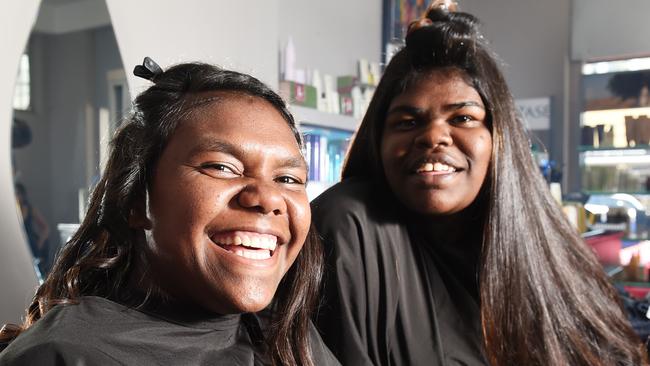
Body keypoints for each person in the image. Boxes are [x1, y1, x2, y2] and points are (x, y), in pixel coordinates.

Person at [312, 2, 647, 365]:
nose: (434, 136)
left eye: (463, 117)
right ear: (378, 140)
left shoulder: (543, 246)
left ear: (499, 137)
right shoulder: (348, 226)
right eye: (407, 122)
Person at [0, 58, 339, 366]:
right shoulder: (62, 356)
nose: (267, 198)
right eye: (221, 167)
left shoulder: (289, 338)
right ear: (136, 200)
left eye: (288, 178)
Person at [14, 182, 50, 275]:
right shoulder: (12, 212)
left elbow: (46, 228)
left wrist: (40, 243)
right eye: (14, 193)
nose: (16, 196)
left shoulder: (30, 209)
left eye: (18, 193)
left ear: (22, 194)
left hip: (31, 244)